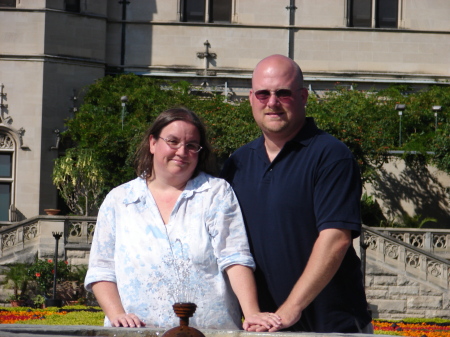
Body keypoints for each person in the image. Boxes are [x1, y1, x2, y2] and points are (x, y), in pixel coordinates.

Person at [85, 108, 281, 331]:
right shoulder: (120, 200)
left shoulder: (215, 192)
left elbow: (234, 256)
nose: (181, 151)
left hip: (209, 333)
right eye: (173, 141)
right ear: (152, 143)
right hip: (138, 333)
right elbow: (102, 269)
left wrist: (251, 312)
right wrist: (117, 314)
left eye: (191, 145)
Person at [221, 55, 373, 333]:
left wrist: (291, 309)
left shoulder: (331, 156)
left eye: (283, 93)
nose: (272, 102)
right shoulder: (238, 163)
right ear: (251, 98)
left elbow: (336, 239)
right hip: (264, 326)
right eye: (263, 94)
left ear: (303, 96)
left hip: (329, 326)